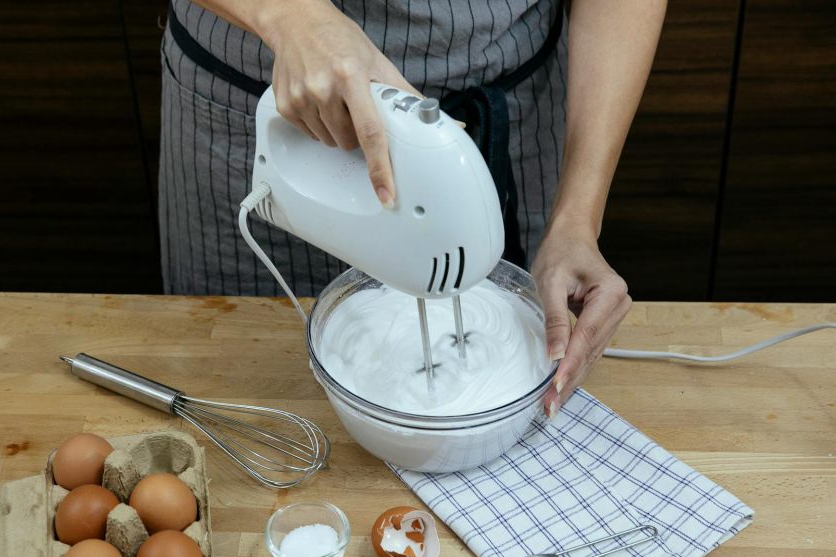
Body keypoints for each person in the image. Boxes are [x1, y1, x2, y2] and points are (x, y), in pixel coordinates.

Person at [158, 0, 666, 417]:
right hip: (271, 117)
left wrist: (577, 216)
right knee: (246, 388)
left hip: (512, 105)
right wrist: (291, 17)